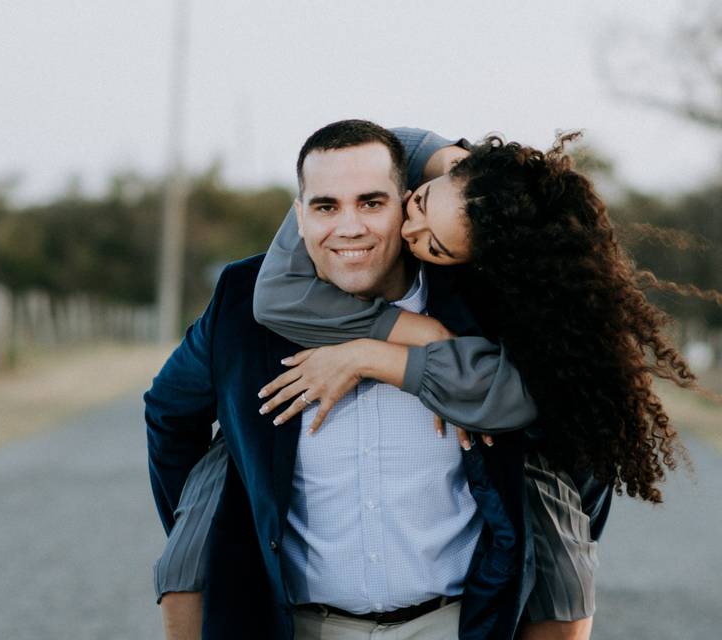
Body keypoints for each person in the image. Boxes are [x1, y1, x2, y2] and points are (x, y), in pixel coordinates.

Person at [251, 129, 695, 638]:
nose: (409, 234)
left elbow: (517, 400)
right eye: (417, 204)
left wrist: (371, 356)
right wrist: (417, 332)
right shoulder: (374, 162)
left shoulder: (519, 295)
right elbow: (275, 297)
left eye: (436, 248)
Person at [147, 120, 549, 640]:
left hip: (453, 623)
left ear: (406, 203)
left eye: (371, 202)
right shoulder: (242, 302)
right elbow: (168, 412)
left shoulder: (479, 298)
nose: (350, 227)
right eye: (326, 207)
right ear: (298, 217)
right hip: (301, 625)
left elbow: (564, 418)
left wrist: (371, 355)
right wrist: (212, 530)